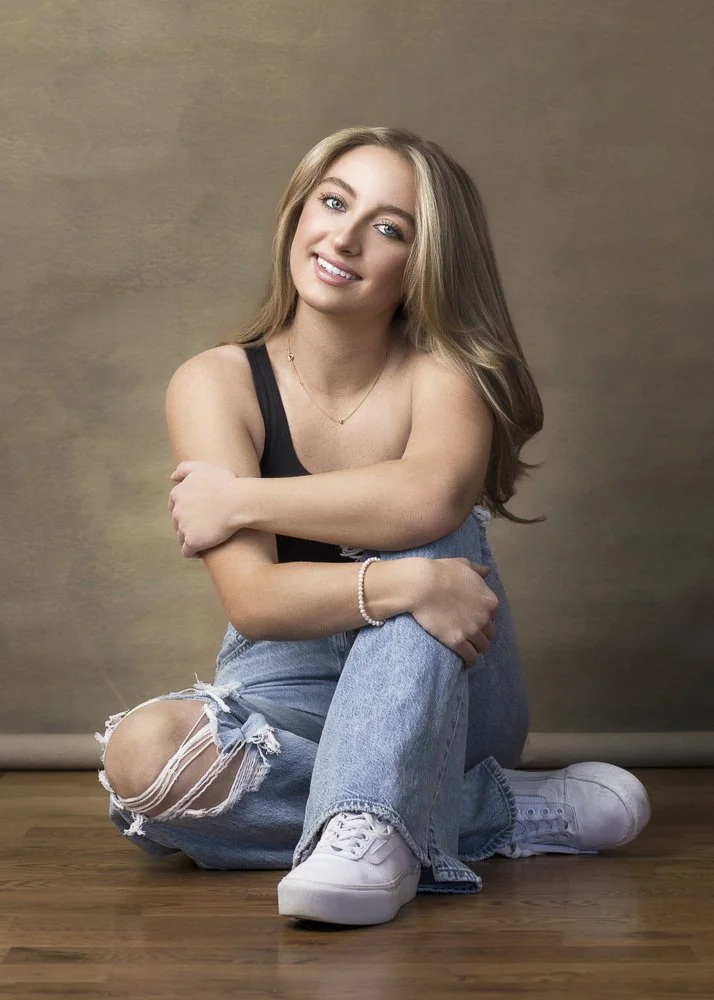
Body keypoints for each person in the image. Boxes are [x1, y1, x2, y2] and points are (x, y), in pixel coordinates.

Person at [97, 125, 651, 927]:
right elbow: (253, 600)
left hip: (450, 684)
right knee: (141, 761)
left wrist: (244, 500)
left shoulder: (448, 376)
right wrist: (408, 583)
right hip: (286, 684)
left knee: (422, 525)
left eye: (389, 227)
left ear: (423, 261)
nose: (345, 238)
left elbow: (424, 503)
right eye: (332, 202)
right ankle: (483, 813)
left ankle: (375, 830)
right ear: (298, 213)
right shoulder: (216, 381)